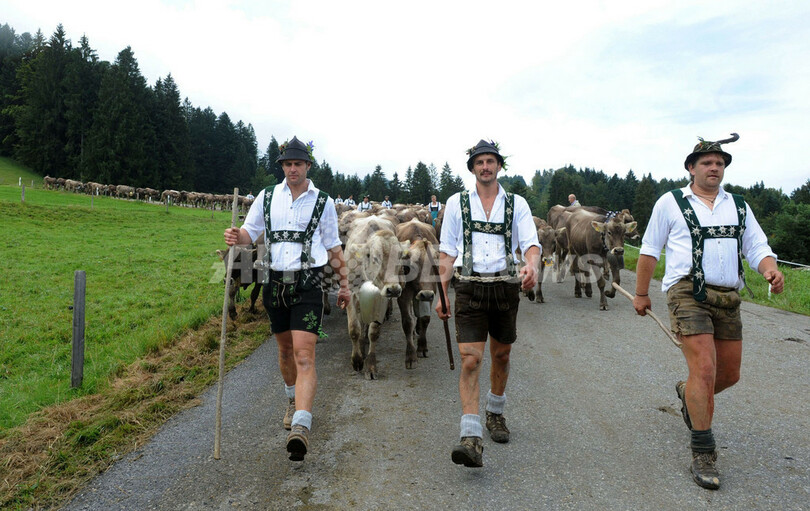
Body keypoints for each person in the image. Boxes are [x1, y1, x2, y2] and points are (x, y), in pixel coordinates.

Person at [633, 133, 784, 489]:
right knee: (704, 369)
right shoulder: (670, 203)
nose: (714, 167)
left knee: (728, 375)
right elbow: (650, 251)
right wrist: (642, 293)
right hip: (687, 292)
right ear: (691, 168)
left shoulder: (739, 206)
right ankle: (703, 451)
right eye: (707, 163)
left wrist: (770, 269)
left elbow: (757, 246)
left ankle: (688, 394)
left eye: (720, 163)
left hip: (727, 296)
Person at [223, 136, 351, 461]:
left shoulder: (322, 202)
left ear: (308, 165)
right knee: (284, 351)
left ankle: (302, 426)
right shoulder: (266, 197)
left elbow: (334, 247)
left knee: (304, 355)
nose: (293, 169)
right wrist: (236, 236)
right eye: (288, 164)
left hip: (309, 284)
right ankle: (292, 398)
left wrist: (345, 285)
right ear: (282, 166)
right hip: (274, 283)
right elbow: (249, 234)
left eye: (298, 163)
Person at [436, 139, 540, 468]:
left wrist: (532, 265)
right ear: (472, 168)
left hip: (505, 287)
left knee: (502, 353)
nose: (485, 166)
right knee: (470, 359)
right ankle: (471, 436)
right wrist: (441, 292)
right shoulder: (456, 203)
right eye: (479, 162)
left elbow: (531, 244)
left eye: (490, 161)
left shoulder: (517, 204)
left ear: (498, 166)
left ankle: (495, 412)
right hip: (468, 287)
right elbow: (447, 251)